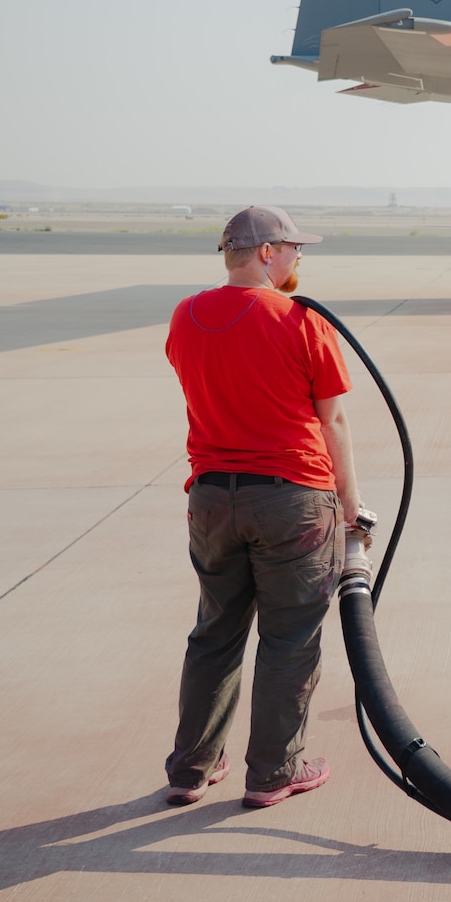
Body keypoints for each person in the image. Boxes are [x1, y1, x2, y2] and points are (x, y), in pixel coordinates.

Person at [161, 206, 362, 807]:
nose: (301, 258)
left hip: (213, 498)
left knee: (214, 634)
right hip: (292, 500)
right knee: (290, 638)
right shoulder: (301, 320)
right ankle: (275, 772)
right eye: (295, 248)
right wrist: (351, 511)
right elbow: (334, 420)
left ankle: (192, 768)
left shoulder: (186, 314)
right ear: (268, 252)